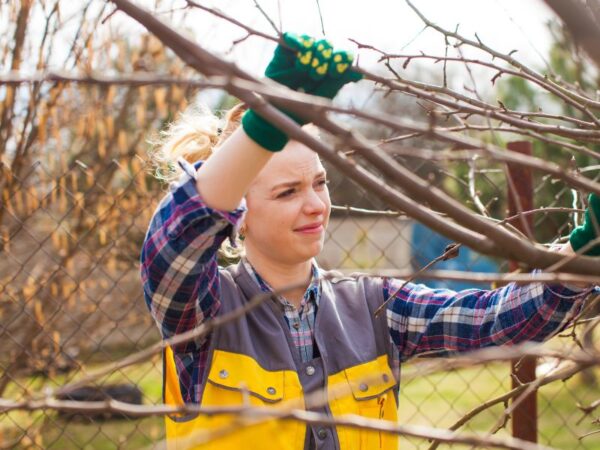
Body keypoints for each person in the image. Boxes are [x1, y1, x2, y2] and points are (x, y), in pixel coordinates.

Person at [140, 32, 599, 450]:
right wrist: (263, 125)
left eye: (319, 183)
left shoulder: (374, 306)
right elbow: (175, 243)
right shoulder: (205, 315)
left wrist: (583, 255)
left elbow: (491, 323)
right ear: (240, 215)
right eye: (288, 192)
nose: (316, 205)